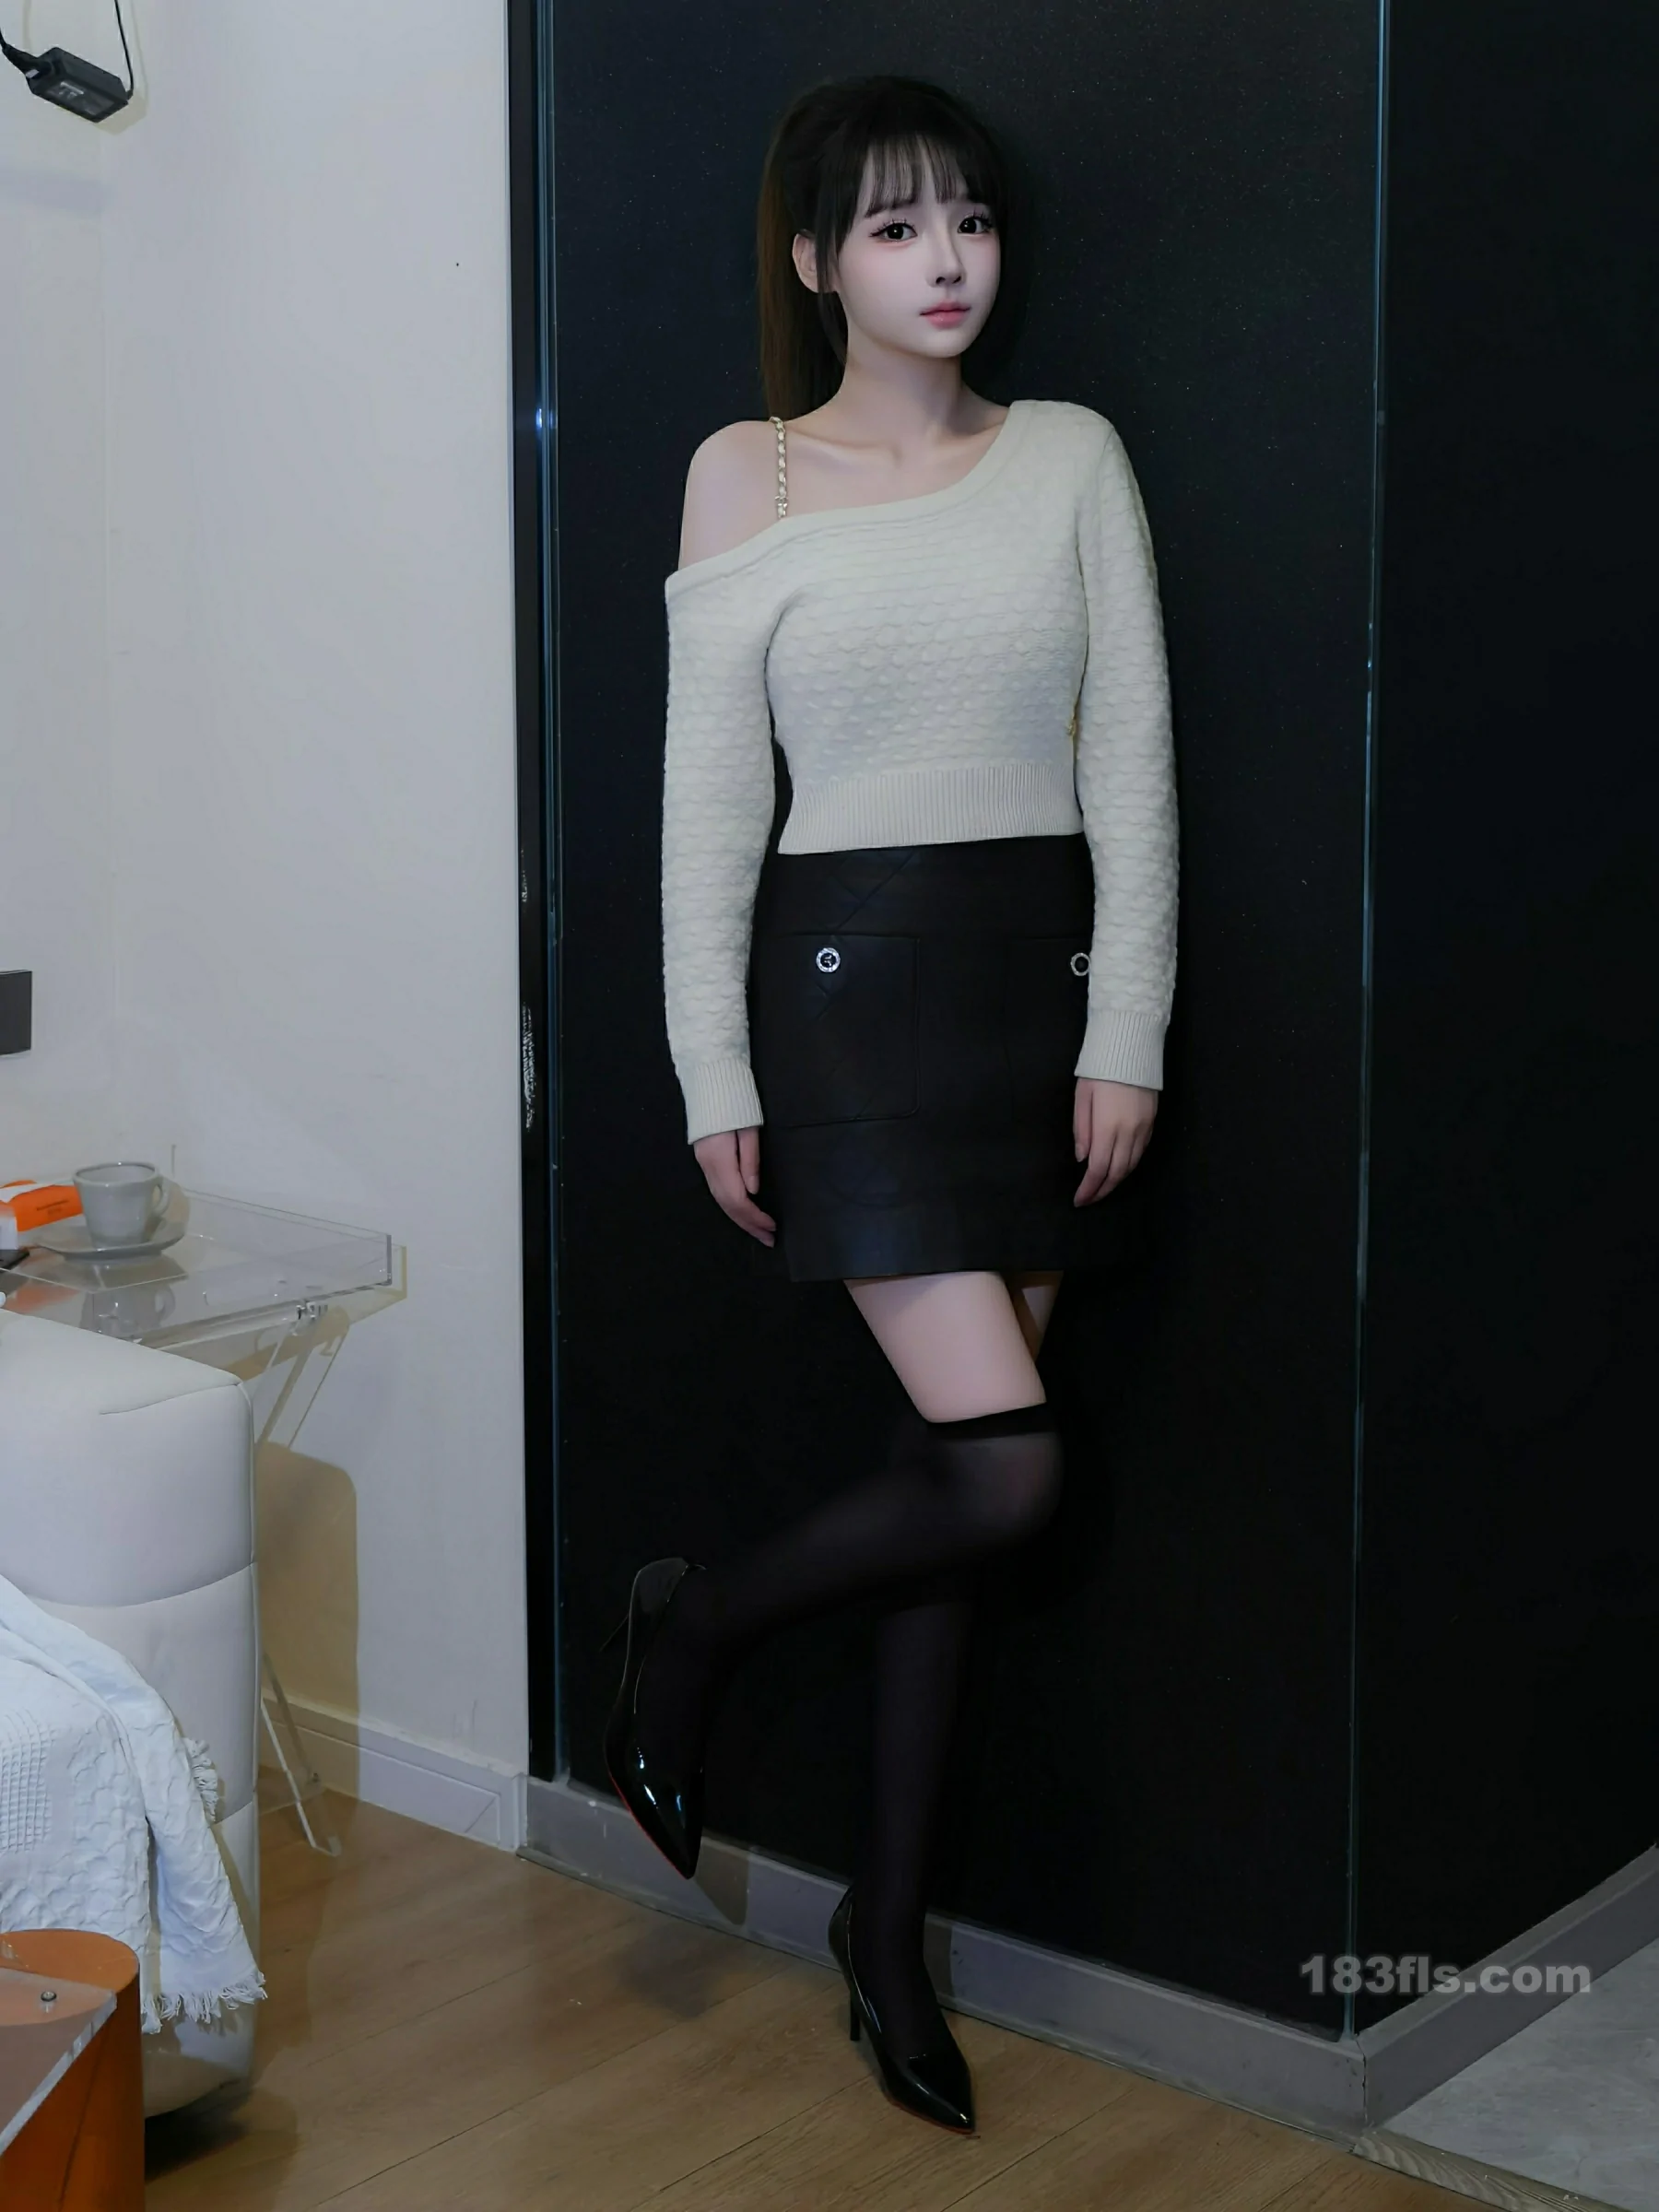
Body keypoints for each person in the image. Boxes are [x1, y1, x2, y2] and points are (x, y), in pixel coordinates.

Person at [604, 72, 1178, 2135]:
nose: (946, 261)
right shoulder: (742, 475)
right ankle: (693, 1634)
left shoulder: (1073, 457)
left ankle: (890, 1937)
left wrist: (1128, 1031)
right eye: (896, 225)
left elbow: (1131, 760)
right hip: (845, 1004)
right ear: (816, 259)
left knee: (956, 1508)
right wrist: (712, 1064)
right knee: (1006, 1473)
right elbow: (708, 805)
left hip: (1037, 1000)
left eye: (971, 220)